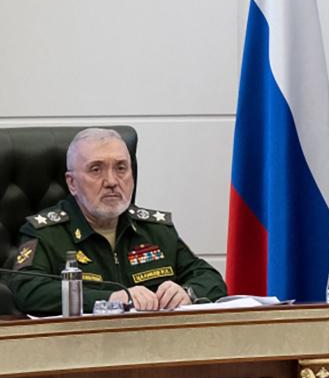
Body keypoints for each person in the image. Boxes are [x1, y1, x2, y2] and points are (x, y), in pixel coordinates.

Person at [12, 128, 227, 314]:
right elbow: (28, 290)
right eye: (96, 169)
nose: (112, 181)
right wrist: (110, 299)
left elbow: (210, 279)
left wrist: (187, 293)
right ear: (72, 183)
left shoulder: (155, 229)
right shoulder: (45, 232)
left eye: (121, 168)